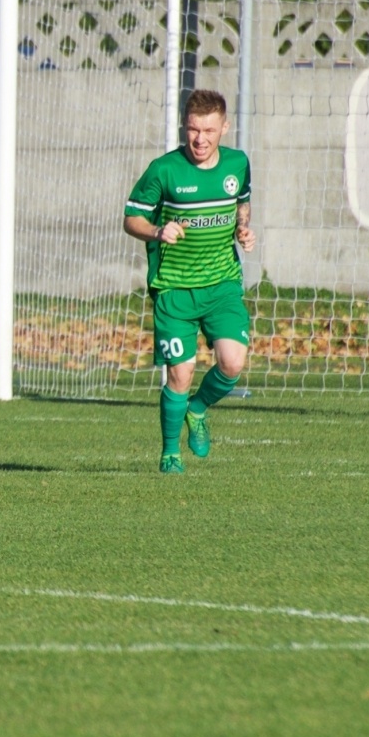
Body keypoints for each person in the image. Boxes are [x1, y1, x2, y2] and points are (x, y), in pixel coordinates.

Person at [122, 89, 255, 474]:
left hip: (222, 284)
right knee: (180, 374)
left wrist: (243, 229)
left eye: (209, 130)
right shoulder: (164, 170)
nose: (200, 139)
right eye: (193, 129)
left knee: (232, 364)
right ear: (185, 126)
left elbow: (241, 202)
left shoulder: (237, 164)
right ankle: (169, 453)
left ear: (224, 128)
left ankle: (198, 410)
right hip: (175, 289)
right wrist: (157, 231)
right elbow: (131, 218)